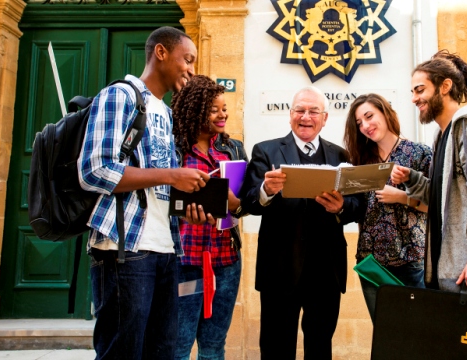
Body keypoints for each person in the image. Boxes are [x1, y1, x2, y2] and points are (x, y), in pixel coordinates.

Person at [78, 27, 214, 360]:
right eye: (187, 59)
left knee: (162, 351)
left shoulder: (166, 114)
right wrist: (172, 174)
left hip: (166, 248)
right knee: (122, 352)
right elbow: (94, 170)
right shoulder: (120, 96)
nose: (191, 69)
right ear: (161, 53)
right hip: (125, 247)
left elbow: (160, 190)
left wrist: (189, 205)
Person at [239, 86, 364, 360]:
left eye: (313, 111)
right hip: (279, 268)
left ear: (325, 118)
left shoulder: (340, 156)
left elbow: (357, 207)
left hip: (326, 270)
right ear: (290, 115)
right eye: (300, 110)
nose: (305, 117)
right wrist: (267, 191)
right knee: (275, 348)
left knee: (320, 347)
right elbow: (248, 202)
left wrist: (341, 207)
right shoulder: (266, 151)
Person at [391, 50, 467, 294]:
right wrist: (412, 179)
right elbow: (444, 198)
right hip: (449, 270)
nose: (415, 99)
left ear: (445, 86)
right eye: (414, 92)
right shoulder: (442, 136)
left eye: (420, 90)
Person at [171, 75, 248, 360]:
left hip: (225, 261)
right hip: (185, 261)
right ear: (194, 109)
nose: (222, 114)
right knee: (179, 344)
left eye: (224, 108)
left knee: (214, 344)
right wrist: (184, 213)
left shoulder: (234, 149)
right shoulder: (175, 149)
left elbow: (246, 205)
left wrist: (232, 200)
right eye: (214, 108)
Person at [343, 93, 432, 320]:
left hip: (411, 259)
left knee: (417, 336)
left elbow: (437, 206)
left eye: (369, 116)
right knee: (385, 337)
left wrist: (402, 197)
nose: (365, 125)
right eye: (359, 123)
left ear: (385, 112)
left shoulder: (420, 153)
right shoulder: (361, 161)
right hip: (371, 262)